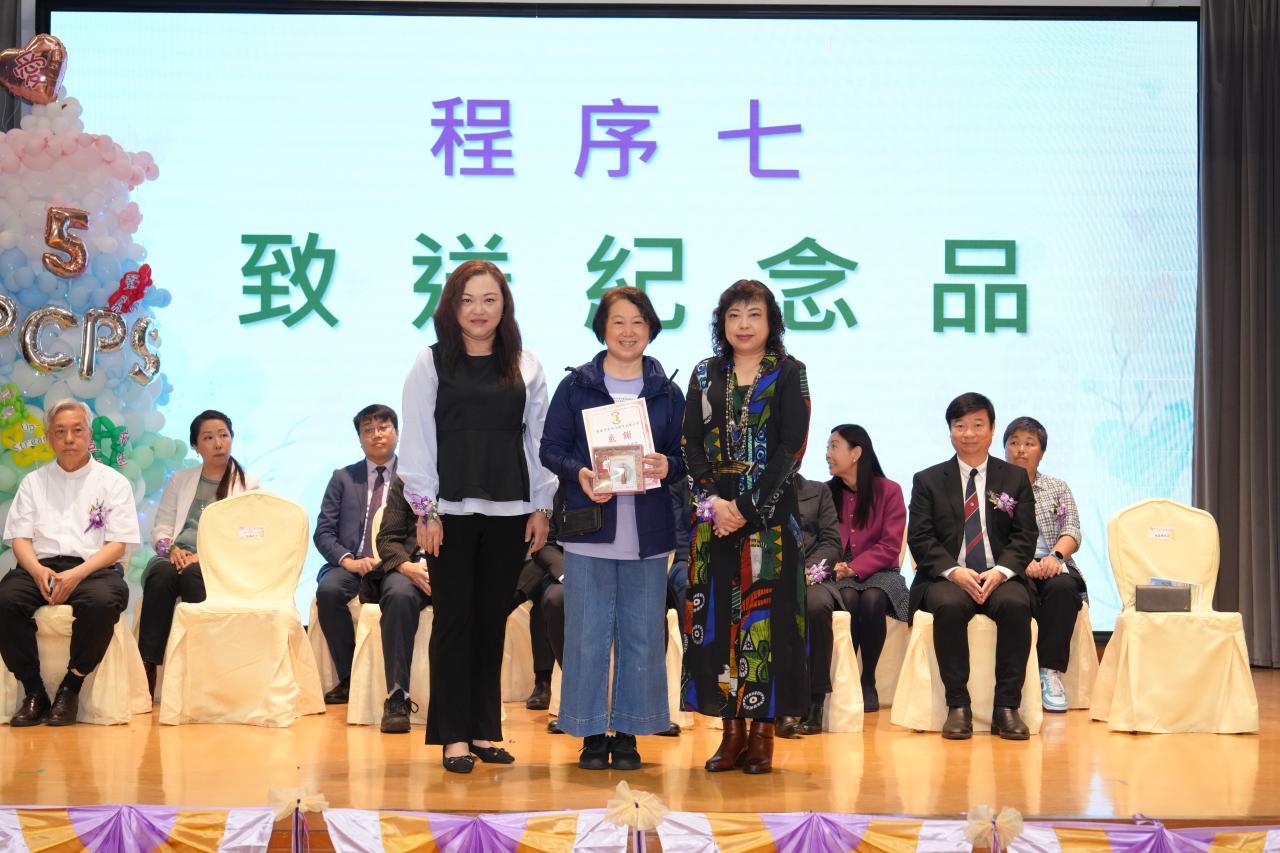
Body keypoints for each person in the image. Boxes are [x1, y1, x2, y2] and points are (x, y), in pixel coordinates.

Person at [399, 259, 556, 773]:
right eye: (467, 300)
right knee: (453, 620)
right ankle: (453, 735)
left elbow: (539, 441)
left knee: (491, 621)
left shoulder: (526, 364)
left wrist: (542, 504)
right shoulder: (430, 362)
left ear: (504, 306)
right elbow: (418, 440)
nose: (479, 310)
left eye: (490, 299)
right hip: (449, 513)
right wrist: (425, 510)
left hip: (512, 510)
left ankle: (485, 729)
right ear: (451, 306)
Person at [539, 286, 685, 770]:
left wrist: (669, 465)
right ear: (602, 328)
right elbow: (550, 448)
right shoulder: (576, 386)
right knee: (586, 635)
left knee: (643, 635)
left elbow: (687, 456)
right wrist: (580, 472)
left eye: (638, 322)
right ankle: (588, 731)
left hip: (647, 534)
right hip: (590, 530)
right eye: (618, 321)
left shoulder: (667, 391)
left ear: (651, 330)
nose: (628, 331)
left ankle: (629, 732)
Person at [682, 279, 811, 775]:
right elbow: (690, 443)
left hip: (769, 525)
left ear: (771, 322)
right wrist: (714, 502)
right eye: (733, 315)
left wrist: (748, 508)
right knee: (717, 628)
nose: (743, 324)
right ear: (722, 323)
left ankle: (762, 735)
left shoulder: (790, 373)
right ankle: (730, 732)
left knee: (765, 629)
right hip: (714, 522)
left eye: (754, 314)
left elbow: (791, 449)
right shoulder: (704, 373)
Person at [0, 399, 140, 726]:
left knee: (102, 602)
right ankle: (34, 692)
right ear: (49, 437)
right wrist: (37, 571)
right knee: (5, 599)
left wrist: (77, 574)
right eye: (60, 431)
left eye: (77, 430)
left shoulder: (113, 482)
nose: (69, 439)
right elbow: (20, 539)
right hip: (40, 567)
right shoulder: (33, 483)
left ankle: (70, 687)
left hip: (93, 568)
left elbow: (117, 544)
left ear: (88, 434)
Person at [907, 392, 1038, 740]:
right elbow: (920, 538)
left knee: (1016, 605)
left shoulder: (1014, 478)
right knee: (949, 606)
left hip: (1000, 574)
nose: (968, 433)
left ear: (992, 429)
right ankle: (958, 706)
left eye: (978, 425)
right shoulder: (928, 480)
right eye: (960, 425)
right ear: (950, 430)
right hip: (949, 576)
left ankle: (1007, 708)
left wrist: (1001, 571)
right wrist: (954, 571)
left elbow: (1025, 536)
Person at [138, 409, 259, 697]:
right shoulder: (181, 479)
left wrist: (203, 558)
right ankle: (147, 667)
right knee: (161, 574)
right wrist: (172, 549)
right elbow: (162, 527)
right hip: (176, 556)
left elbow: (247, 536)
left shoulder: (248, 484)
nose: (218, 443)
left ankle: (202, 668)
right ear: (195, 445)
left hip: (217, 561)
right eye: (208, 437)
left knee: (194, 575)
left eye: (223, 435)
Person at [803, 424, 909, 729]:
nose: (827, 454)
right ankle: (847, 678)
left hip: (881, 571)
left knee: (873, 599)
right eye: (827, 447)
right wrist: (838, 567)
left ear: (856, 453)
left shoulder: (889, 490)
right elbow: (823, 540)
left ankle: (868, 679)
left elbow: (890, 546)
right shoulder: (826, 492)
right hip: (839, 573)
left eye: (834, 446)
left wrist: (856, 566)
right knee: (848, 596)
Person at [313, 404, 400, 705]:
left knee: (400, 596)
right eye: (368, 430)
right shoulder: (343, 478)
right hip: (352, 563)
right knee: (328, 592)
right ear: (360, 438)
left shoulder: (413, 477)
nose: (376, 435)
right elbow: (324, 531)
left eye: (383, 427)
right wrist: (348, 560)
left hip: (395, 564)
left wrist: (395, 559)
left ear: (397, 432)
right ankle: (350, 678)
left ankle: (396, 683)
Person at [1003, 416, 1087, 713]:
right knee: (1017, 595)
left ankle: (1049, 673)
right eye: (1014, 442)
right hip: (1012, 563)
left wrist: (1055, 557)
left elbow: (1072, 529)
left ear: (1042, 451)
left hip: (1053, 561)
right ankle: (1018, 677)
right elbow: (989, 536)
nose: (1021, 450)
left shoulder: (1057, 488)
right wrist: (1020, 561)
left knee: (1063, 589)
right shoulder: (993, 489)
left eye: (1029, 443)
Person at [367, 474, 433, 733]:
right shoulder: (407, 480)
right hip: (409, 566)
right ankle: (397, 696)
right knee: (398, 595)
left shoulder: (466, 476)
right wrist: (407, 567)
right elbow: (387, 539)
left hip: (453, 567)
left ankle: (460, 700)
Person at [776, 473, 840, 738]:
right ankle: (779, 705)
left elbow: (831, 542)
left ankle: (815, 699)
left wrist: (808, 571)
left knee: (816, 606)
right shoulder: (754, 490)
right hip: (770, 573)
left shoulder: (818, 491)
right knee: (770, 607)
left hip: (810, 576)